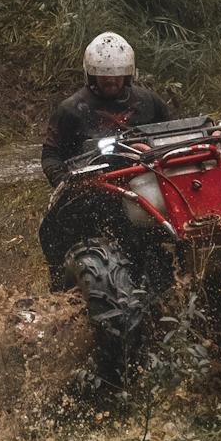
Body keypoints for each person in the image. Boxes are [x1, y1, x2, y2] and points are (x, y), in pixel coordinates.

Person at [37, 32, 175, 287]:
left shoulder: (149, 102)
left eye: (118, 72)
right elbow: (51, 155)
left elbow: (170, 136)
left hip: (145, 183)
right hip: (95, 188)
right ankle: (63, 285)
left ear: (129, 72)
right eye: (104, 73)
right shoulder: (71, 110)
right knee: (56, 229)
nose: (111, 79)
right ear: (91, 74)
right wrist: (65, 179)